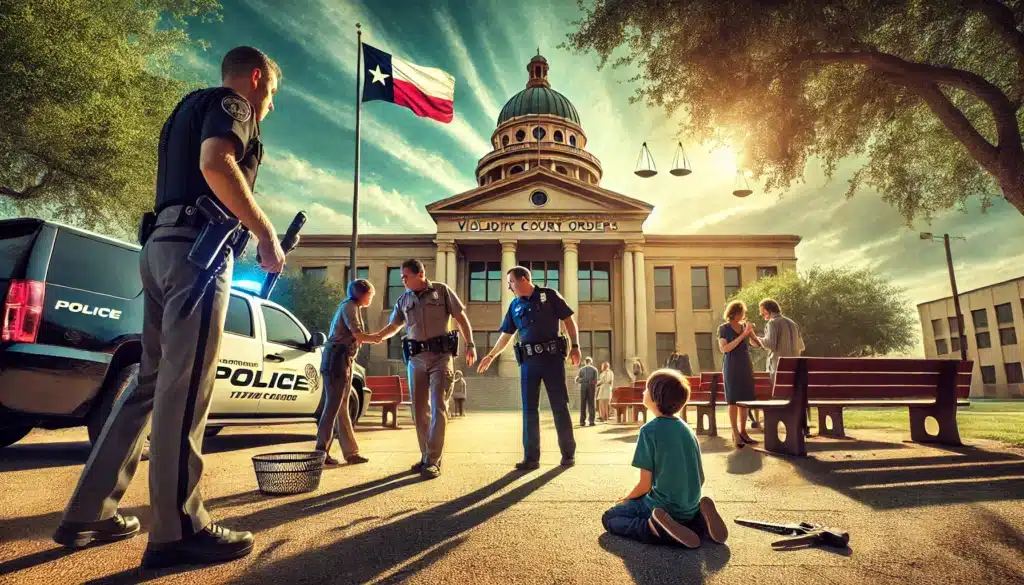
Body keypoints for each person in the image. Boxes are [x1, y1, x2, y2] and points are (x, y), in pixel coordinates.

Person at [52, 46, 284, 569]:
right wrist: (264, 232)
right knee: (185, 385)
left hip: (158, 247)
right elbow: (215, 163)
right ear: (255, 78)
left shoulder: (184, 108)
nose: (269, 105)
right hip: (198, 254)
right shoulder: (235, 106)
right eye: (271, 93)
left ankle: (90, 511)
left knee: (150, 384)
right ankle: (180, 528)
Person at [601, 369, 728, 548]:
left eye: (646, 389)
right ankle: (699, 521)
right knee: (681, 514)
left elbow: (644, 485)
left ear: (655, 398)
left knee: (610, 517)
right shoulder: (687, 430)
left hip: (662, 507)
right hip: (689, 506)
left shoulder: (649, 431)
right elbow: (701, 478)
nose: (643, 392)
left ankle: (653, 528)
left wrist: (626, 499)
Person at [373, 259, 476, 479]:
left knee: (439, 407)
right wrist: (377, 337)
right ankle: (426, 456)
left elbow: (461, 317)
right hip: (416, 359)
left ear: (420, 274)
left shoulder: (442, 291)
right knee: (419, 410)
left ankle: (433, 461)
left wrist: (471, 344)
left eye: (405, 276)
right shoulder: (404, 299)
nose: (402, 280)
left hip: (441, 357)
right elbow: (394, 325)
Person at [476, 266, 579, 470]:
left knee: (560, 406)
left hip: (552, 360)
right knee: (529, 410)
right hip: (529, 363)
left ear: (523, 279)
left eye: (511, 282)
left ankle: (568, 454)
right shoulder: (514, 306)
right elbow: (506, 335)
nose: (509, 287)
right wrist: (490, 356)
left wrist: (575, 347)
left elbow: (568, 320)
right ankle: (531, 458)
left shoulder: (549, 296)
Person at [315, 279, 381, 465]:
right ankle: (320, 452)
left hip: (343, 358)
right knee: (333, 406)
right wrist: (376, 338)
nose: (371, 298)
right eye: (370, 295)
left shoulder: (353, 306)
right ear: (362, 293)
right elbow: (358, 335)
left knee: (342, 407)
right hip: (337, 358)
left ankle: (351, 453)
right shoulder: (350, 307)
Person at [750, 298, 807, 433]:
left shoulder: (773, 323)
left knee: (773, 393)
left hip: (778, 370)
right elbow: (802, 346)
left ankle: (774, 427)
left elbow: (770, 344)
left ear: (769, 311)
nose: (761, 314)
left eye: (762, 311)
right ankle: (800, 426)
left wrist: (755, 338)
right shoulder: (792, 323)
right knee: (792, 395)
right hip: (795, 371)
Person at [718, 301, 758, 449]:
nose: (743, 315)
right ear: (734, 313)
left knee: (744, 400)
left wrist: (751, 333)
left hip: (745, 365)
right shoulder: (723, 328)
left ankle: (743, 431)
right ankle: (735, 432)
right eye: (741, 312)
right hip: (732, 365)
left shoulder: (744, 327)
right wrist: (743, 335)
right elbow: (725, 348)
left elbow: (757, 344)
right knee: (733, 400)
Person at [575, 357, 599, 427]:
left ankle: (582, 422)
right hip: (591, 388)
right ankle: (591, 421)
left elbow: (578, 380)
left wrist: (581, 380)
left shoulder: (581, 369)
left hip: (583, 388)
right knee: (591, 404)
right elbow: (595, 381)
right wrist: (590, 382)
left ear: (585, 362)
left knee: (583, 404)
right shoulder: (594, 369)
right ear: (591, 362)